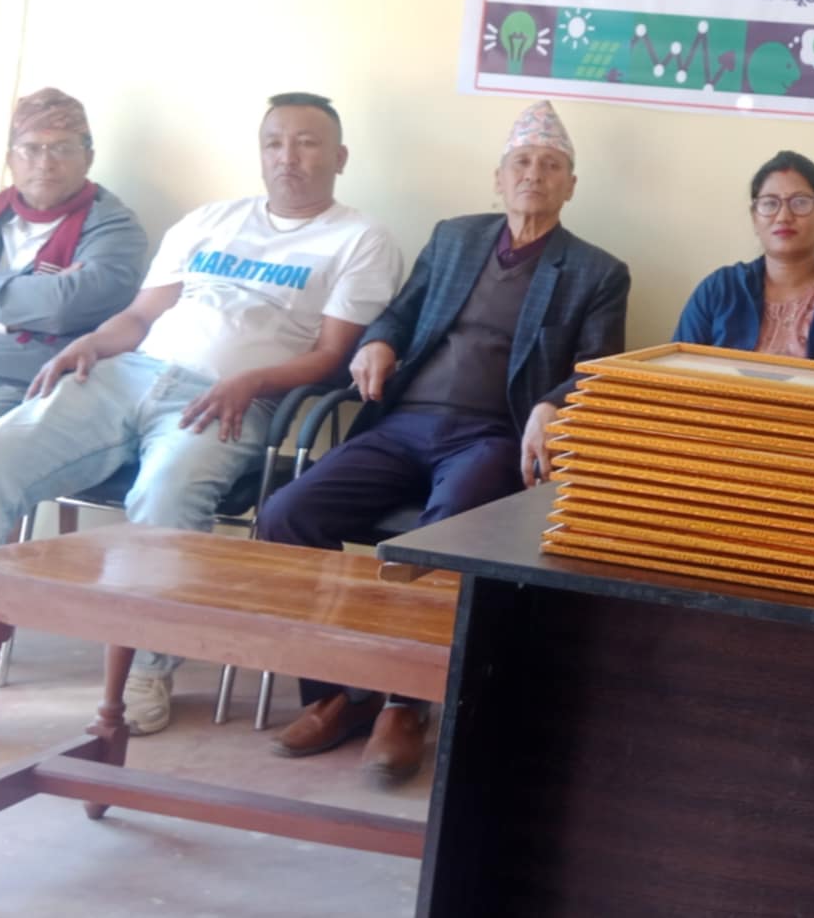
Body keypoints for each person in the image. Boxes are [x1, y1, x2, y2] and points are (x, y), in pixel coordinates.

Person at [0, 93, 402, 741]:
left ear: (339, 157)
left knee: (168, 490)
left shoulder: (361, 239)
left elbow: (332, 355)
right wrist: (92, 343)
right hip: (124, 375)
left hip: (229, 399)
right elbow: (141, 316)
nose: (289, 156)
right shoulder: (210, 220)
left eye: (307, 143)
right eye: (275, 142)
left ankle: (147, 669)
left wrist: (252, 380)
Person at [259, 100, 628, 785]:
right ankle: (337, 692)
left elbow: (595, 368)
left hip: (490, 436)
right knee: (286, 513)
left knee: (443, 536)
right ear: (498, 178)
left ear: (571, 185)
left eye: (551, 166)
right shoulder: (454, 238)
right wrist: (377, 343)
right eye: (522, 162)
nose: (534, 175)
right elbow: (398, 314)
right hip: (402, 423)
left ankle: (404, 703)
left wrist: (550, 405)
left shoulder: (597, 271)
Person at [0, 89, 146, 542]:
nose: (45, 162)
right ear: (10, 159)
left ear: (89, 156)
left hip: (11, 387)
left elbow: (63, 306)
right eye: (31, 148)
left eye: (63, 148)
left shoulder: (115, 228)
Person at [673, 150, 814, 367]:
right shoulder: (718, 290)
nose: (783, 217)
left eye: (800, 202)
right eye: (770, 203)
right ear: (754, 218)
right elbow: (677, 375)